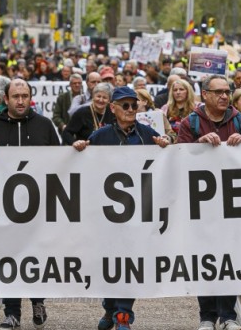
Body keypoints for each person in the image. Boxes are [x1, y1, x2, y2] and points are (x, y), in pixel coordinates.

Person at [72, 86, 171, 330]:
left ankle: (123, 315)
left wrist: (166, 143)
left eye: (133, 105)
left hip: (137, 215)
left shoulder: (147, 134)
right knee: (108, 265)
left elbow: (168, 154)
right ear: (113, 109)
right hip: (106, 217)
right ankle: (109, 308)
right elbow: (84, 169)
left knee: (130, 264)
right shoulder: (100, 136)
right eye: (124, 106)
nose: (129, 110)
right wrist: (79, 150)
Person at [0, 78, 57, 329]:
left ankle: (38, 301)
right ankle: (11, 312)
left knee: (36, 257)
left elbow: (60, 161)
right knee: (8, 259)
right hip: (5, 208)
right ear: (6, 99)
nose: (21, 100)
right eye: (16, 96)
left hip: (38, 208)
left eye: (25, 95)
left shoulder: (45, 126)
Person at [177, 75, 241, 330]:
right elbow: (179, 158)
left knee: (230, 258)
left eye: (227, 92)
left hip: (233, 202)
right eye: (218, 92)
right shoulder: (191, 123)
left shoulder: (240, 120)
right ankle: (207, 316)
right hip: (202, 204)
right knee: (205, 259)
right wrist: (198, 145)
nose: (224, 96)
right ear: (205, 95)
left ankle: (228, 315)